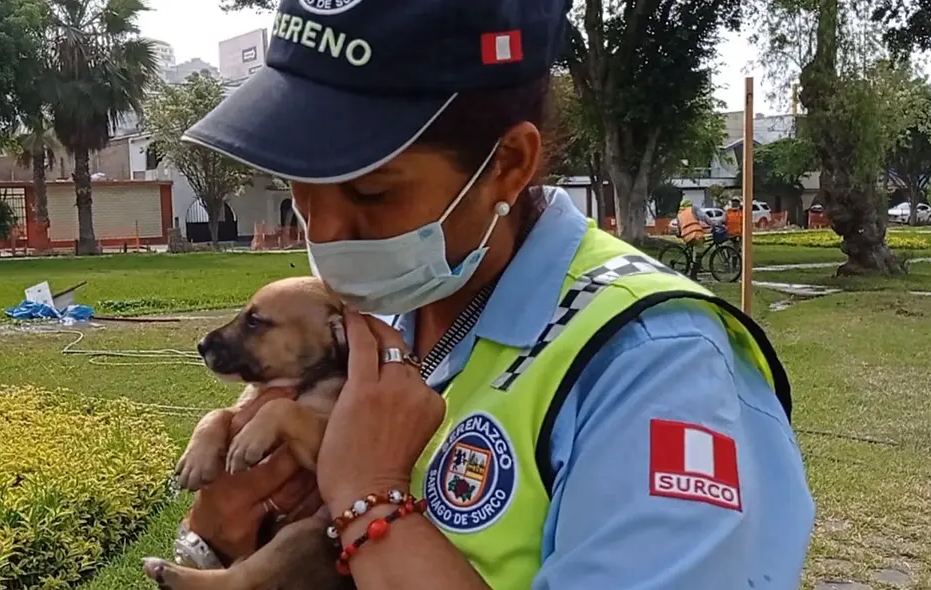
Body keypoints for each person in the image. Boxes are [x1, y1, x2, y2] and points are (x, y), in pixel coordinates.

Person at [163, 0, 815, 587]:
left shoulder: (658, 366)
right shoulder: (370, 319)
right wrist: (212, 544)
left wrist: (372, 497)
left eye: (371, 193)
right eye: (299, 181)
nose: (325, 230)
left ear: (506, 165)